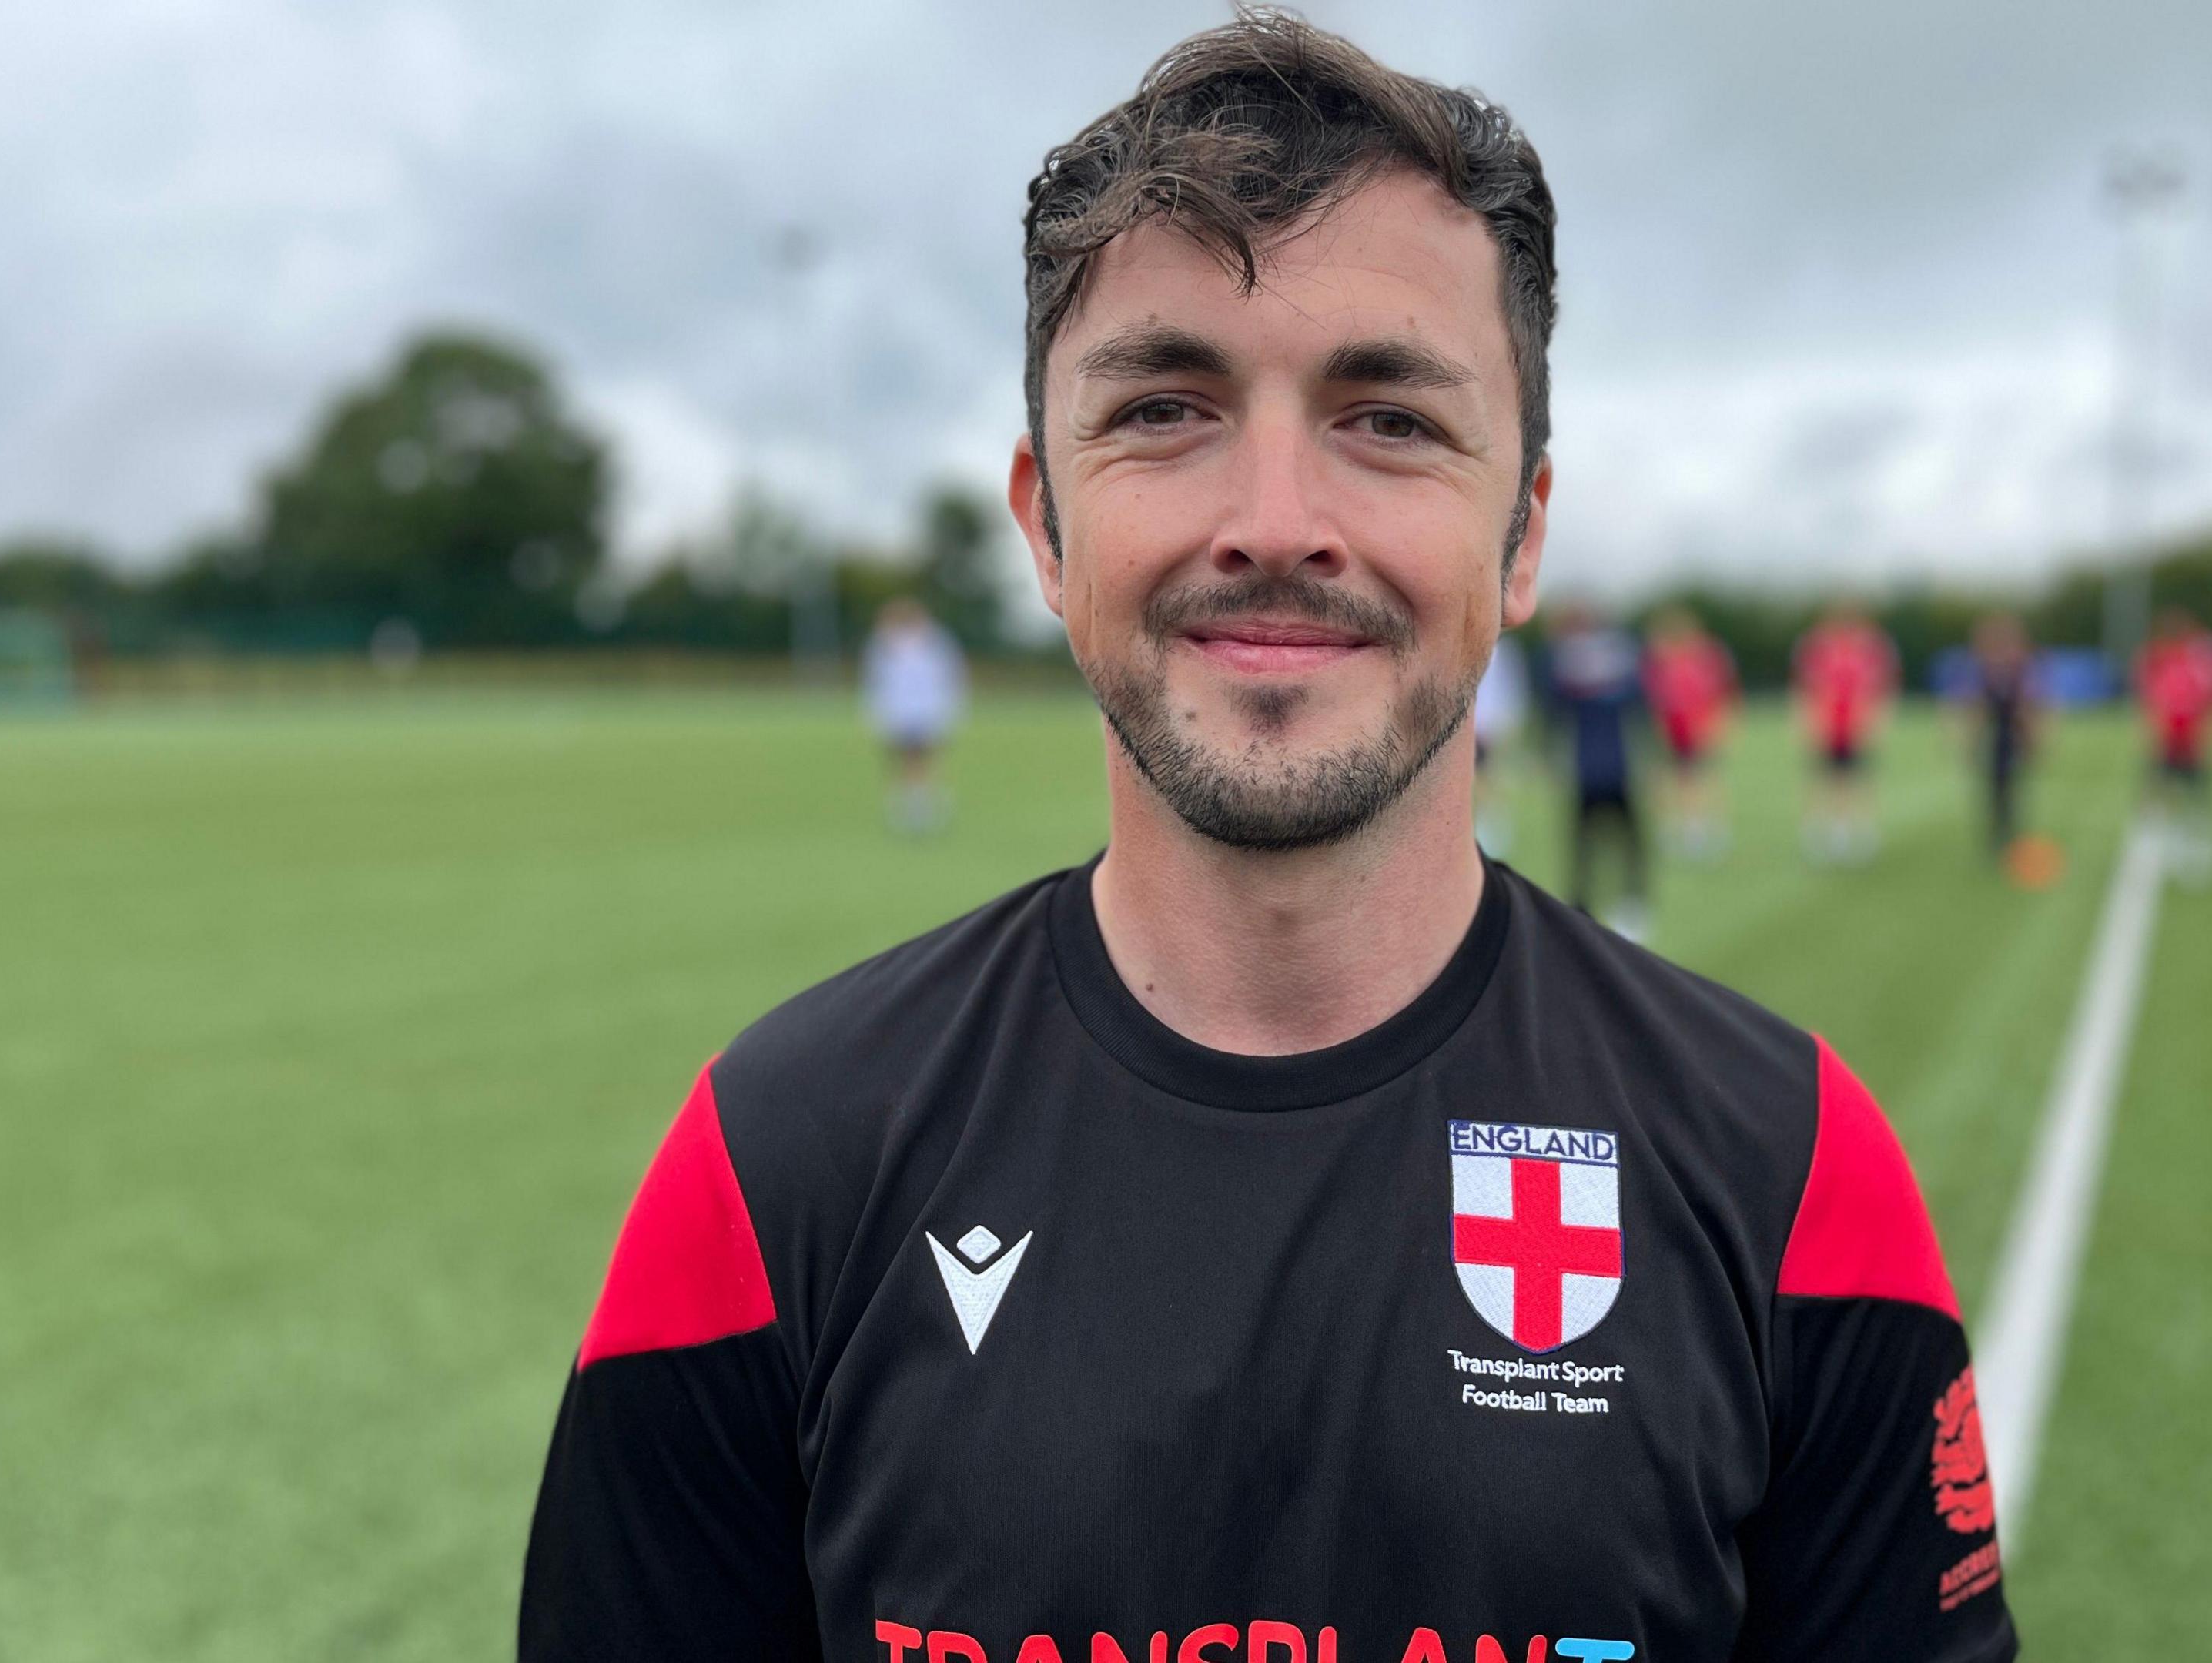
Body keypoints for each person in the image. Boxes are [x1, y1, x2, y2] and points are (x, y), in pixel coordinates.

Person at [519, 18, 2014, 1663]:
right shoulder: (772, 1166)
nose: (1277, 521)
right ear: (1043, 523)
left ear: (1522, 535)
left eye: (1389, 418)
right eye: (1167, 407)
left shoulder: (1796, 1176)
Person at [1541, 598, 1653, 941]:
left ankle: (1606, 905)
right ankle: (1621, 904)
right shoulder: (1615, 663)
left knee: (1603, 844)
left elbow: (1554, 711)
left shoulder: (1572, 667)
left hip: (1598, 768)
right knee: (1611, 844)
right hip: (1603, 768)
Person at [2131, 606, 2212, 883]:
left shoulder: (2203, 660)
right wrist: (2150, 733)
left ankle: (2199, 851)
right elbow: (2147, 698)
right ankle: (2154, 850)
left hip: (2193, 739)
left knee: (2197, 797)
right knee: (2157, 794)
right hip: (2166, 738)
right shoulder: (2155, 658)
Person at [1792, 601, 1897, 865]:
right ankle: (1823, 830)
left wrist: (1875, 722)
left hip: (1856, 726)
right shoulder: (1818, 649)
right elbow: (1805, 689)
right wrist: (1809, 722)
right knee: (1824, 779)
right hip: (1827, 725)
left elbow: (1882, 690)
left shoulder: (1871, 650)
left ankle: (1862, 831)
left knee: (1858, 779)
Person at [862, 596, 969, 832]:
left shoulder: (936, 642)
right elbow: (876, 681)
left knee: (926, 760)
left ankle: (927, 804)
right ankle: (907, 805)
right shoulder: (883, 644)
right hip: (898, 711)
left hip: (927, 710)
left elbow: (950, 676)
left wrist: (951, 708)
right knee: (902, 761)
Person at [1640, 607, 1739, 861]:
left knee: (1701, 779)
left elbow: (1721, 693)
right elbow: (1654, 698)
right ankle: (1673, 827)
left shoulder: (1706, 658)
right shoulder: (1660, 661)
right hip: (1671, 730)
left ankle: (1706, 828)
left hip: (1698, 729)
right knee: (1668, 781)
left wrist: (1718, 726)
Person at [1964, 611, 2040, 864]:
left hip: (2013, 735)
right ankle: (1999, 835)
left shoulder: (2020, 669)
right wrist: (1971, 740)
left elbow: (2027, 705)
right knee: (1995, 788)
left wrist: (2031, 735)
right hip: (1995, 735)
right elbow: (1979, 708)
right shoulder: (1986, 669)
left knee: (2010, 788)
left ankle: (2009, 836)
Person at [1470, 631, 1530, 858]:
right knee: (1479, 778)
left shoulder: (1504, 652)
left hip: (1490, 725)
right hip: (1473, 724)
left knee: (1487, 777)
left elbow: (1510, 690)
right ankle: (1489, 825)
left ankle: (1493, 826)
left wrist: (1505, 723)